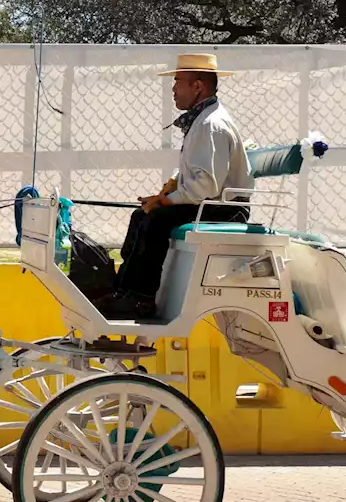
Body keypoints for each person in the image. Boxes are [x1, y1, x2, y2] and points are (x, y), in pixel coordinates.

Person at [96, 53, 254, 319]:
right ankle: (124, 291)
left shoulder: (210, 125)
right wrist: (168, 189)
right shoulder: (203, 120)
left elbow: (206, 185)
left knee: (156, 219)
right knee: (141, 215)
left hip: (224, 208)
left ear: (198, 86)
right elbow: (197, 175)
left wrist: (165, 201)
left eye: (178, 81)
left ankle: (141, 299)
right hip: (213, 203)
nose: (173, 88)